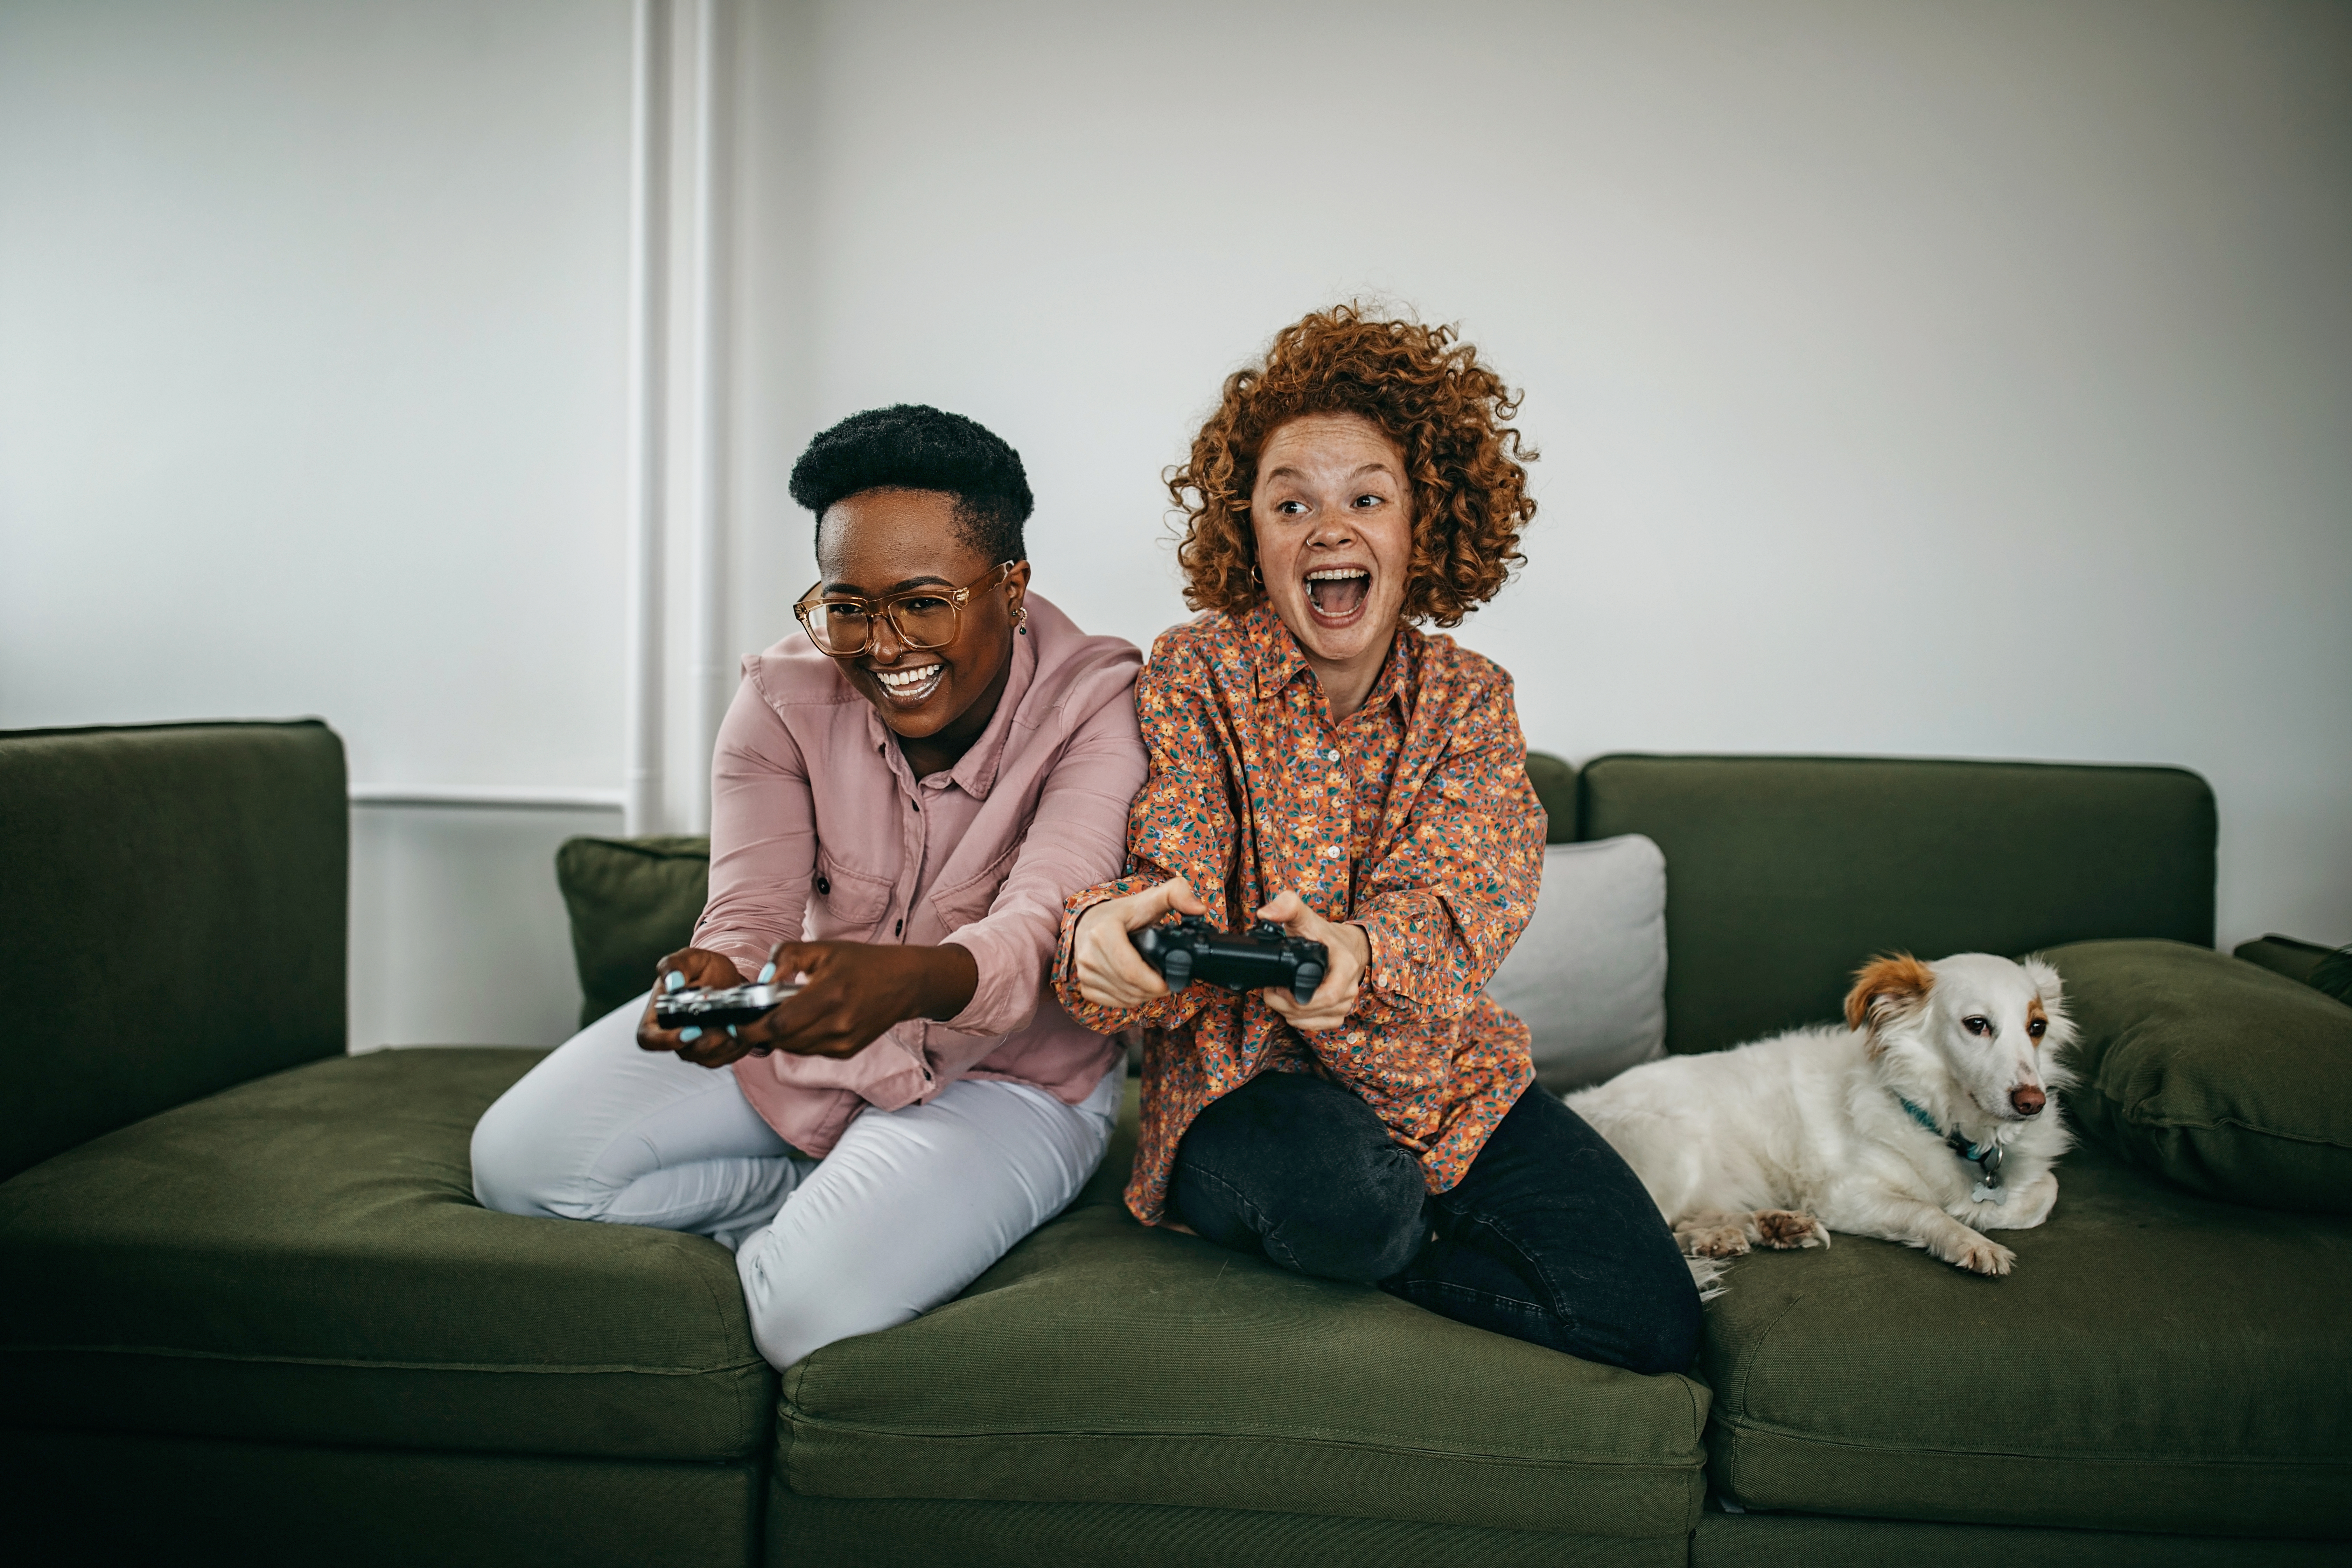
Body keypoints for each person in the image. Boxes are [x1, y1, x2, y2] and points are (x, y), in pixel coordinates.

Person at [1057, 307, 1701, 1374]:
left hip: (1443, 1078)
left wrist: (1358, 958)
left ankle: (1409, 1237)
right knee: (1355, 1198)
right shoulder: (1194, 673)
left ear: (1421, 528)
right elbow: (1168, 862)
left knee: (1651, 1324)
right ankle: (1391, 1228)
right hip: (1244, 1081)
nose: (1329, 527)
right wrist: (1107, 940)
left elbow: (1469, 894)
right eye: (1291, 501)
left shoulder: (1470, 703)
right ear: (1249, 535)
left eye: (1367, 497)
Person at [472, 405, 1146, 1371]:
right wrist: (717, 973)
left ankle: (854, 1230)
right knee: (518, 1168)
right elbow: (748, 913)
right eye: (847, 605)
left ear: (1011, 586)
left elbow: (1046, 926)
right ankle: (806, 1210)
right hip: (811, 1037)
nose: (882, 646)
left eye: (923, 601)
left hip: (1009, 1080)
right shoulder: (782, 697)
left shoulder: (1104, 707)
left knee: (802, 1316)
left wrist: (911, 983)